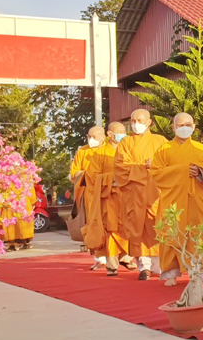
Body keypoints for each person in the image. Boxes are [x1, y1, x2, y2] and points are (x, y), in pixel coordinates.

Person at [151, 112, 203, 287]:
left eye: (188, 125)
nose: (184, 128)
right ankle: (170, 273)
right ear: (173, 127)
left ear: (194, 127)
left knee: (201, 233)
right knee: (172, 233)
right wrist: (183, 170)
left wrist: (200, 171)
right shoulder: (163, 149)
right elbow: (156, 174)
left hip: (197, 199)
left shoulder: (201, 149)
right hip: (172, 200)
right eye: (180, 125)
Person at [115, 109, 169, 281]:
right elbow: (120, 167)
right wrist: (142, 168)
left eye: (139, 120)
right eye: (133, 121)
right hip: (135, 193)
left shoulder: (160, 141)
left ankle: (162, 266)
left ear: (149, 122)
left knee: (158, 226)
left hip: (156, 192)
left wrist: (156, 163)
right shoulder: (125, 143)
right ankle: (144, 267)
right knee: (137, 227)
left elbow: (170, 162)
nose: (135, 124)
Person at [82, 122, 135, 276]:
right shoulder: (100, 153)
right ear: (110, 135)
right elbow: (92, 177)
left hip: (127, 197)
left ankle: (125, 256)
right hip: (110, 197)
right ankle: (112, 263)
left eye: (124, 131)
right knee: (111, 229)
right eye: (120, 131)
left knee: (128, 227)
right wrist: (111, 178)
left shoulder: (128, 150)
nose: (123, 134)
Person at [69, 127, 103, 268]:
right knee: (92, 225)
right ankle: (99, 259)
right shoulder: (82, 151)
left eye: (94, 136)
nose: (91, 139)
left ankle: (117, 257)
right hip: (89, 194)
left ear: (103, 137)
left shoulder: (109, 151)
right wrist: (87, 174)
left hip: (107, 193)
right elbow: (74, 173)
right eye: (89, 136)